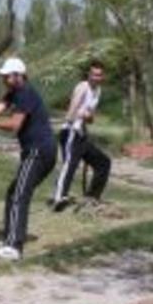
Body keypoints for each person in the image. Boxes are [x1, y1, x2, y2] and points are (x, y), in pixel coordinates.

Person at [0, 57, 57, 261]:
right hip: (39, 151)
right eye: (4, 76)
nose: (5, 79)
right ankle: (12, 239)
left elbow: (14, 125)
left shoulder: (25, 93)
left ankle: (14, 247)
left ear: (19, 75)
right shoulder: (16, 93)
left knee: (18, 194)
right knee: (14, 193)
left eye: (8, 76)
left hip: (39, 151)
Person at [51, 60, 110, 212]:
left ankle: (92, 197)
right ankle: (59, 198)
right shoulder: (82, 87)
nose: (96, 78)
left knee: (103, 162)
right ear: (89, 75)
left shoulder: (98, 91)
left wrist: (87, 118)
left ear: (102, 76)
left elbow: (90, 117)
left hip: (81, 134)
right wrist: (81, 115)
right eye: (93, 75)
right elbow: (70, 114)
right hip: (70, 132)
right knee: (69, 165)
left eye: (99, 75)